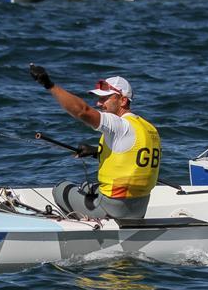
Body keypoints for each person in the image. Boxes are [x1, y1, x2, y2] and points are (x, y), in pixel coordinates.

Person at [29, 64, 161, 220]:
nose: (98, 103)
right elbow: (131, 157)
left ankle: (82, 231)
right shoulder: (149, 128)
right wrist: (97, 151)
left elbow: (82, 111)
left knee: (60, 188)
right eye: (98, 98)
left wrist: (49, 85)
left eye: (104, 98)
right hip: (139, 208)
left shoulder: (118, 125)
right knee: (86, 187)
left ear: (123, 101)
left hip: (113, 210)